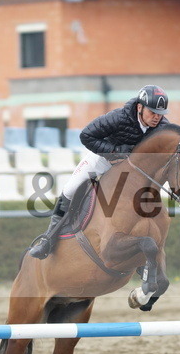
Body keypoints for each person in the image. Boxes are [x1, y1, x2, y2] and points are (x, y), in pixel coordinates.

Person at [27, 84, 170, 259]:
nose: (157, 118)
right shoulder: (118, 118)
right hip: (103, 160)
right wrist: (115, 151)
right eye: (152, 112)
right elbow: (86, 135)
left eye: (160, 114)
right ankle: (49, 239)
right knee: (70, 189)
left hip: (132, 169)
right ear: (140, 107)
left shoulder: (161, 125)